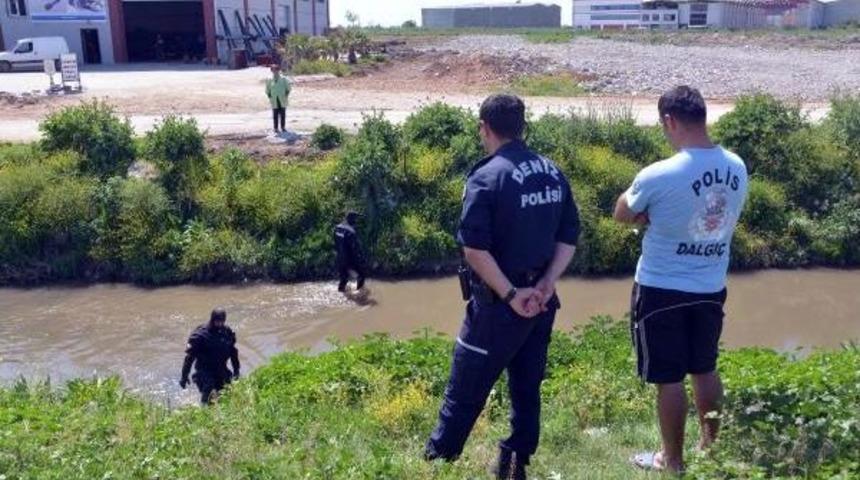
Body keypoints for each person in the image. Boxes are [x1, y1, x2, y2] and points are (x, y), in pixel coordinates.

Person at [424, 94, 580, 480]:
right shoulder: (552, 171)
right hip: (540, 303)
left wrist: (511, 295)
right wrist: (545, 285)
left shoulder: (487, 175)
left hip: (498, 306)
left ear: (485, 127)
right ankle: (515, 461)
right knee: (527, 387)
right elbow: (569, 238)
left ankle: (438, 463)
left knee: (464, 389)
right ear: (521, 126)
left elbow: (474, 249)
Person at [613, 86, 749, 474]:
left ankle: (671, 461)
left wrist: (648, 215)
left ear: (670, 121)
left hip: (661, 287)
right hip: (710, 285)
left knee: (668, 379)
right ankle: (710, 449)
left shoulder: (659, 173)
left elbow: (622, 212)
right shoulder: (737, 166)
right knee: (705, 369)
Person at [179, 309, 241, 405]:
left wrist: (236, 370)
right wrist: (184, 376)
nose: (220, 324)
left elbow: (233, 352)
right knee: (209, 391)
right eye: (217, 321)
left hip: (221, 369)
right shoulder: (200, 335)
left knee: (227, 394)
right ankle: (204, 411)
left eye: (222, 321)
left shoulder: (227, 332)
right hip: (204, 370)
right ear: (212, 320)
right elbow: (189, 358)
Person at [334, 211, 367, 293]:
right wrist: (361, 258)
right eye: (356, 219)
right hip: (349, 259)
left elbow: (335, 242)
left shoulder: (338, 227)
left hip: (339, 258)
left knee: (344, 279)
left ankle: (340, 294)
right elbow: (355, 249)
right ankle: (359, 293)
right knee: (361, 275)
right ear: (352, 220)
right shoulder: (351, 232)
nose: (357, 221)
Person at [265, 65, 291, 134]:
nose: (275, 71)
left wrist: (286, 96)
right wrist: (269, 96)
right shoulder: (269, 79)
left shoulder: (283, 79)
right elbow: (267, 89)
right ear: (271, 71)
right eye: (273, 70)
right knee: (275, 114)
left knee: (282, 114)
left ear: (278, 70)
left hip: (282, 99)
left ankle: (283, 127)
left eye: (276, 70)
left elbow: (288, 88)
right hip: (274, 100)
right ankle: (275, 128)